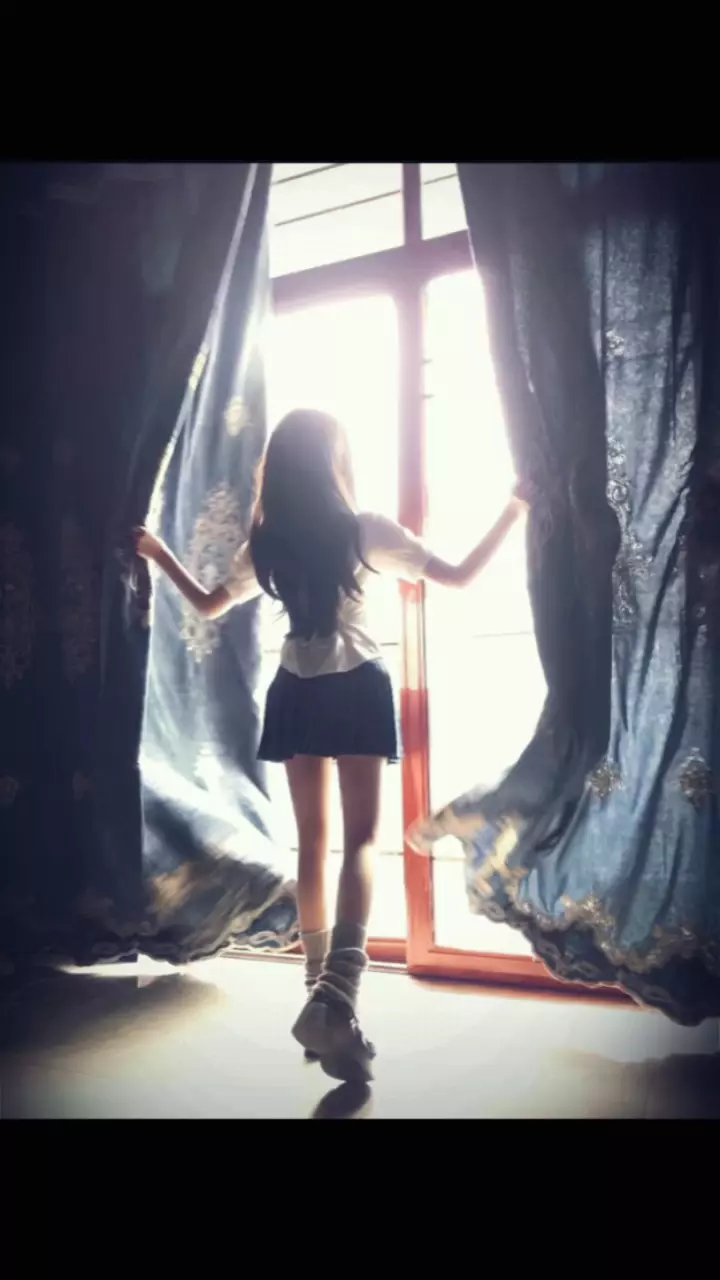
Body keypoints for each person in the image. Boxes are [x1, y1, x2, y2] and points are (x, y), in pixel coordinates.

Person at [134, 409, 529, 1085]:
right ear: (332, 462)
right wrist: (515, 508)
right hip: (355, 684)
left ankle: (318, 1001)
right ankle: (335, 1002)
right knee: (362, 842)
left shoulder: (267, 543)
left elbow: (207, 605)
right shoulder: (364, 530)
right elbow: (459, 575)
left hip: (294, 686)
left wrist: (155, 550)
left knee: (313, 846)